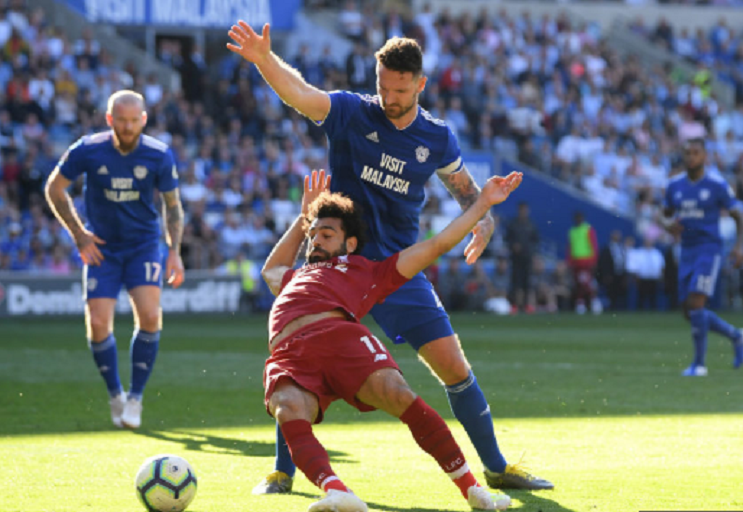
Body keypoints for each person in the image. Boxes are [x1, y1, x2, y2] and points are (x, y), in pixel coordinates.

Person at [227, 23, 553, 492]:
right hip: (336, 264)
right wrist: (264, 60)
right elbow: (301, 94)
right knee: (299, 356)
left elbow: (466, 190)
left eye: (399, 89)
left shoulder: (437, 138)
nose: (388, 97)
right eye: (382, 85)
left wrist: (484, 223)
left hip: (398, 267)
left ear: (420, 84)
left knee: (454, 366)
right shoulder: (351, 112)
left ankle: (497, 467)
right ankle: (284, 471)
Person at [263, 169, 521, 511]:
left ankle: (474, 489)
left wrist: (483, 203)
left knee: (397, 394)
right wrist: (302, 219)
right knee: (287, 408)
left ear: (349, 244)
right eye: (313, 235)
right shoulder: (297, 275)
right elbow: (270, 270)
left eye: (326, 234)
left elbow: (437, 244)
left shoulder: (368, 271)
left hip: (341, 340)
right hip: (289, 353)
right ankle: (337, 491)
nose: (316, 241)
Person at [45, 90, 185, 429]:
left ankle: (136, 397)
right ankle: (115, 394)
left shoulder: (159, 154)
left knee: (151, 315)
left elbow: (172, 205)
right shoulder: (88, 149)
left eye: (133, 121)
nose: (127, 126)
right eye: (120, 120)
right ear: (109, 119)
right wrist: (79, 235)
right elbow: (54, 188)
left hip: (143, 245)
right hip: (101, 247)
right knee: (97, 323)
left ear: (143, 120)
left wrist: (175, 252)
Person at [659, 138, 743, 376]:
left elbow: (738, 214)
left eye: (695, 153)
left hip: (709, 248)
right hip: (686, 250)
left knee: (696, 303)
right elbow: (663, 214)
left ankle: (699, 364)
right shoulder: (675, 185)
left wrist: (739, 247)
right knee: (689, 311)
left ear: (705, 156)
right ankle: (736, 336)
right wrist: (667, 224)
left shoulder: (717, 184)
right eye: (686, 153)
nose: (690, 157)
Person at [505, 201, 539, 313]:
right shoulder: (513, 224)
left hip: (527, 258)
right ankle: (516, 305)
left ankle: (528, 305)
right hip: (516, 258)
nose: (523, 212)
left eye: (525, 210)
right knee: (516, 282)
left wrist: (534, 256)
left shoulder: (531, 225)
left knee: (528, 282)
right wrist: (513, 246)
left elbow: (535, 241)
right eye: (521, 210)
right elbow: (507, 239)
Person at [567, 211, 600, 314]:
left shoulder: (588, 229)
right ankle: (582, 303)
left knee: (586, 283)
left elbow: (593, 245)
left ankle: (592, 302)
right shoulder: (572, 231)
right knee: (579, 284)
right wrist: (569, 261)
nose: (578, 220)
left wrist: (594, 260)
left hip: (586, 261)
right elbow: (570, 247)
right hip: (576, 262)